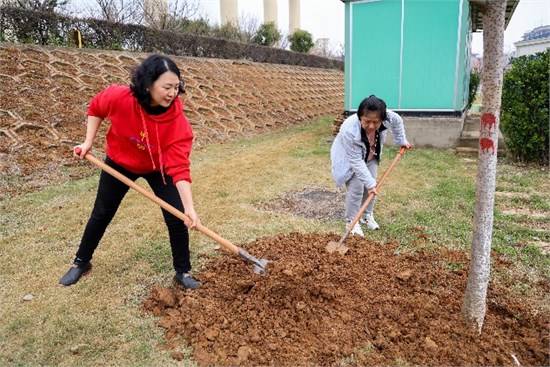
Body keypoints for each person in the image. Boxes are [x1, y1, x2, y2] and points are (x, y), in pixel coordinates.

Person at [59, 54, 200, 289]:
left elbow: (179, 166)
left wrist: (189, 208)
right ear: (148, 84)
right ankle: (80, 263)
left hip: (158, 168)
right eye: (166, 87)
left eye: (176, 87)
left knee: (177, 217)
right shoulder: (120, 97)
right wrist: (87, 142)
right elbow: (96, 108)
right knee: (102, 212)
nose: (172, 93)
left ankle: (183, 272)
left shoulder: (177, 123)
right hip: (120, 161)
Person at [331, 95, 410, 236]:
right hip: (351, 159)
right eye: (367, 122)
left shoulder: (389, 117)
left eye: (376, 122)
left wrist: (401, 141)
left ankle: (366, 215)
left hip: (371, 154)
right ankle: (352, 222)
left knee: (372, 187)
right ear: (359, 117)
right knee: (356, 189)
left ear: (383, 119)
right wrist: (369, 183)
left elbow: (398, 122)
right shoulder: (349, 130)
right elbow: (356, 161)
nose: (372, 126)